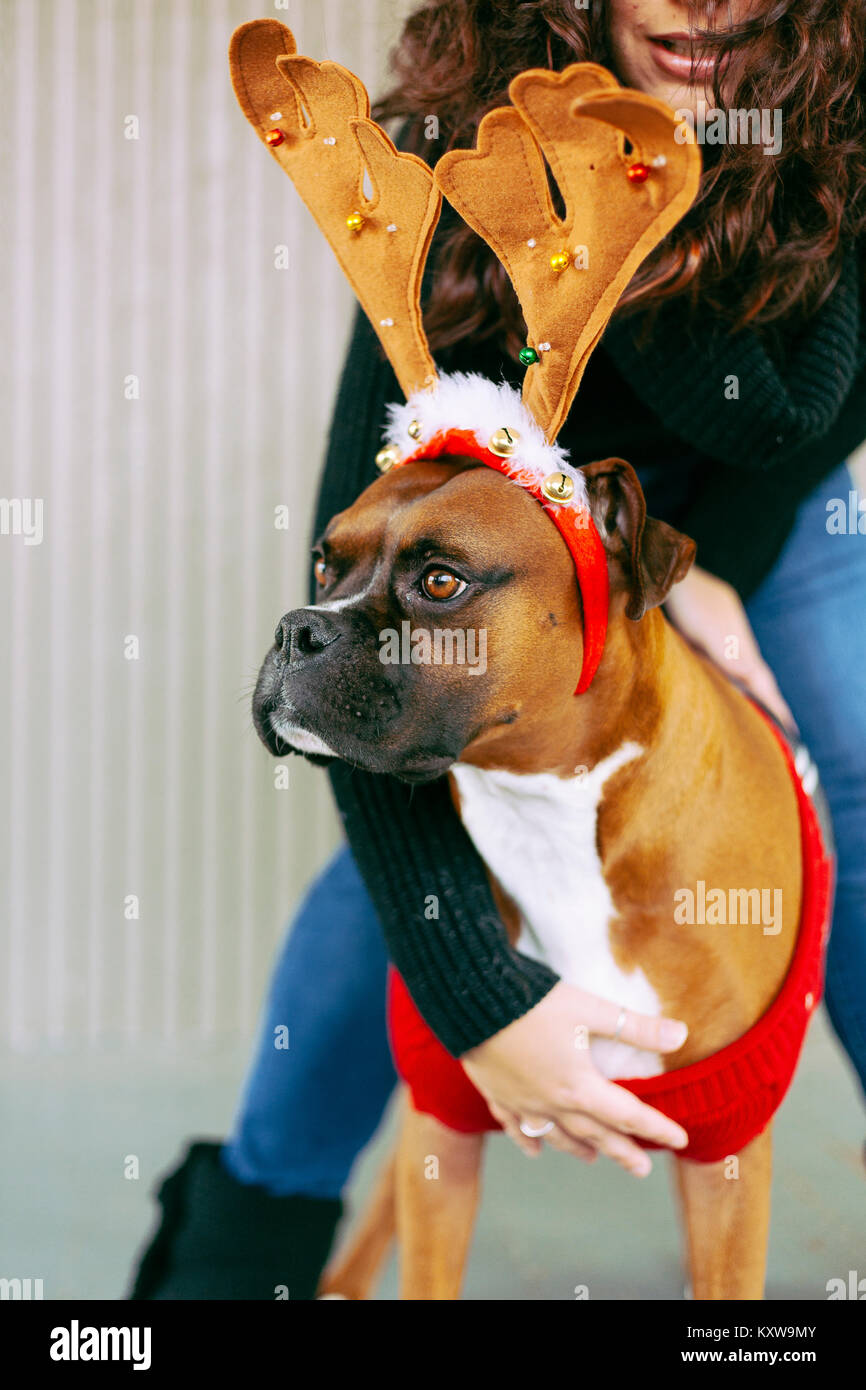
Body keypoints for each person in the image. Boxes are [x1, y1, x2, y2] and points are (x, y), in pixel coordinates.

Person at [129, 0, 866, 1299]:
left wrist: (706, 579)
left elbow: (798, 419)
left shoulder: (835, 139)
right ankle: (239, 1252)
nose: (701, 4)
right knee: (399, 841)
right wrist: (480, 998)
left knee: (850, 780)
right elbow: (358, 637)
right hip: (479, 543)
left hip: (742, 524)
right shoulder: (448, 165)